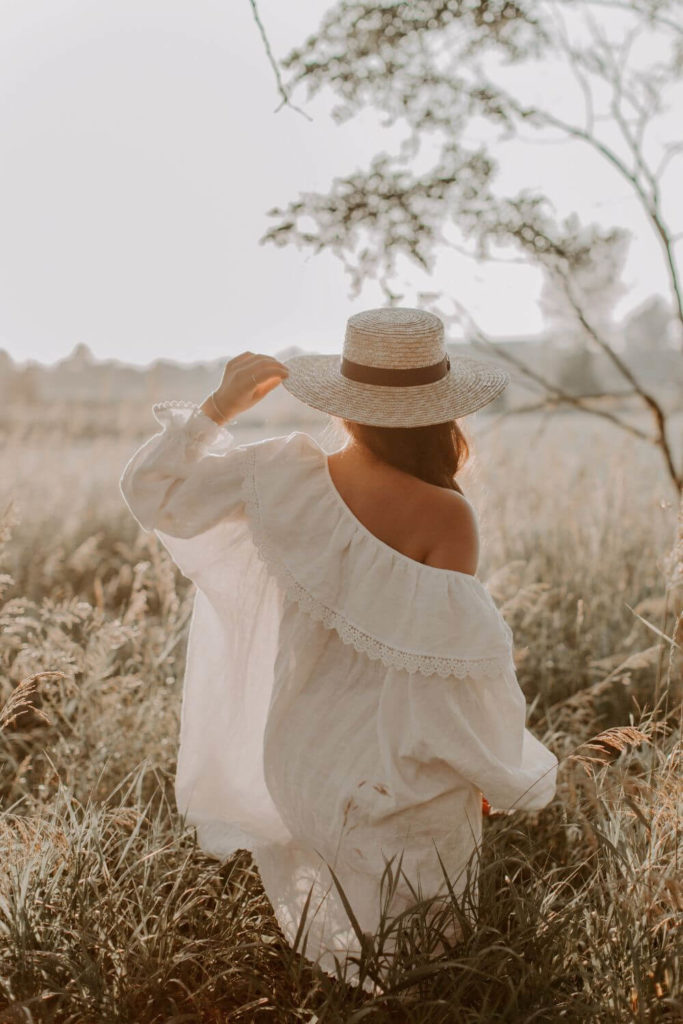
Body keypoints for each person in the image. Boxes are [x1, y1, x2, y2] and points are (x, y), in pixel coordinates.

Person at [119, 307, 558, 993]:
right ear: (441, 414)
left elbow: (150, 492)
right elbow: (454, 682)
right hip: (399, 773)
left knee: (333, 954)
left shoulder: (279, 473)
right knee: (422, 971)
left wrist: (218, 409)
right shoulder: (446, 515)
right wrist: (491, 771)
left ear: (347, 404)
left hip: (298, 760)